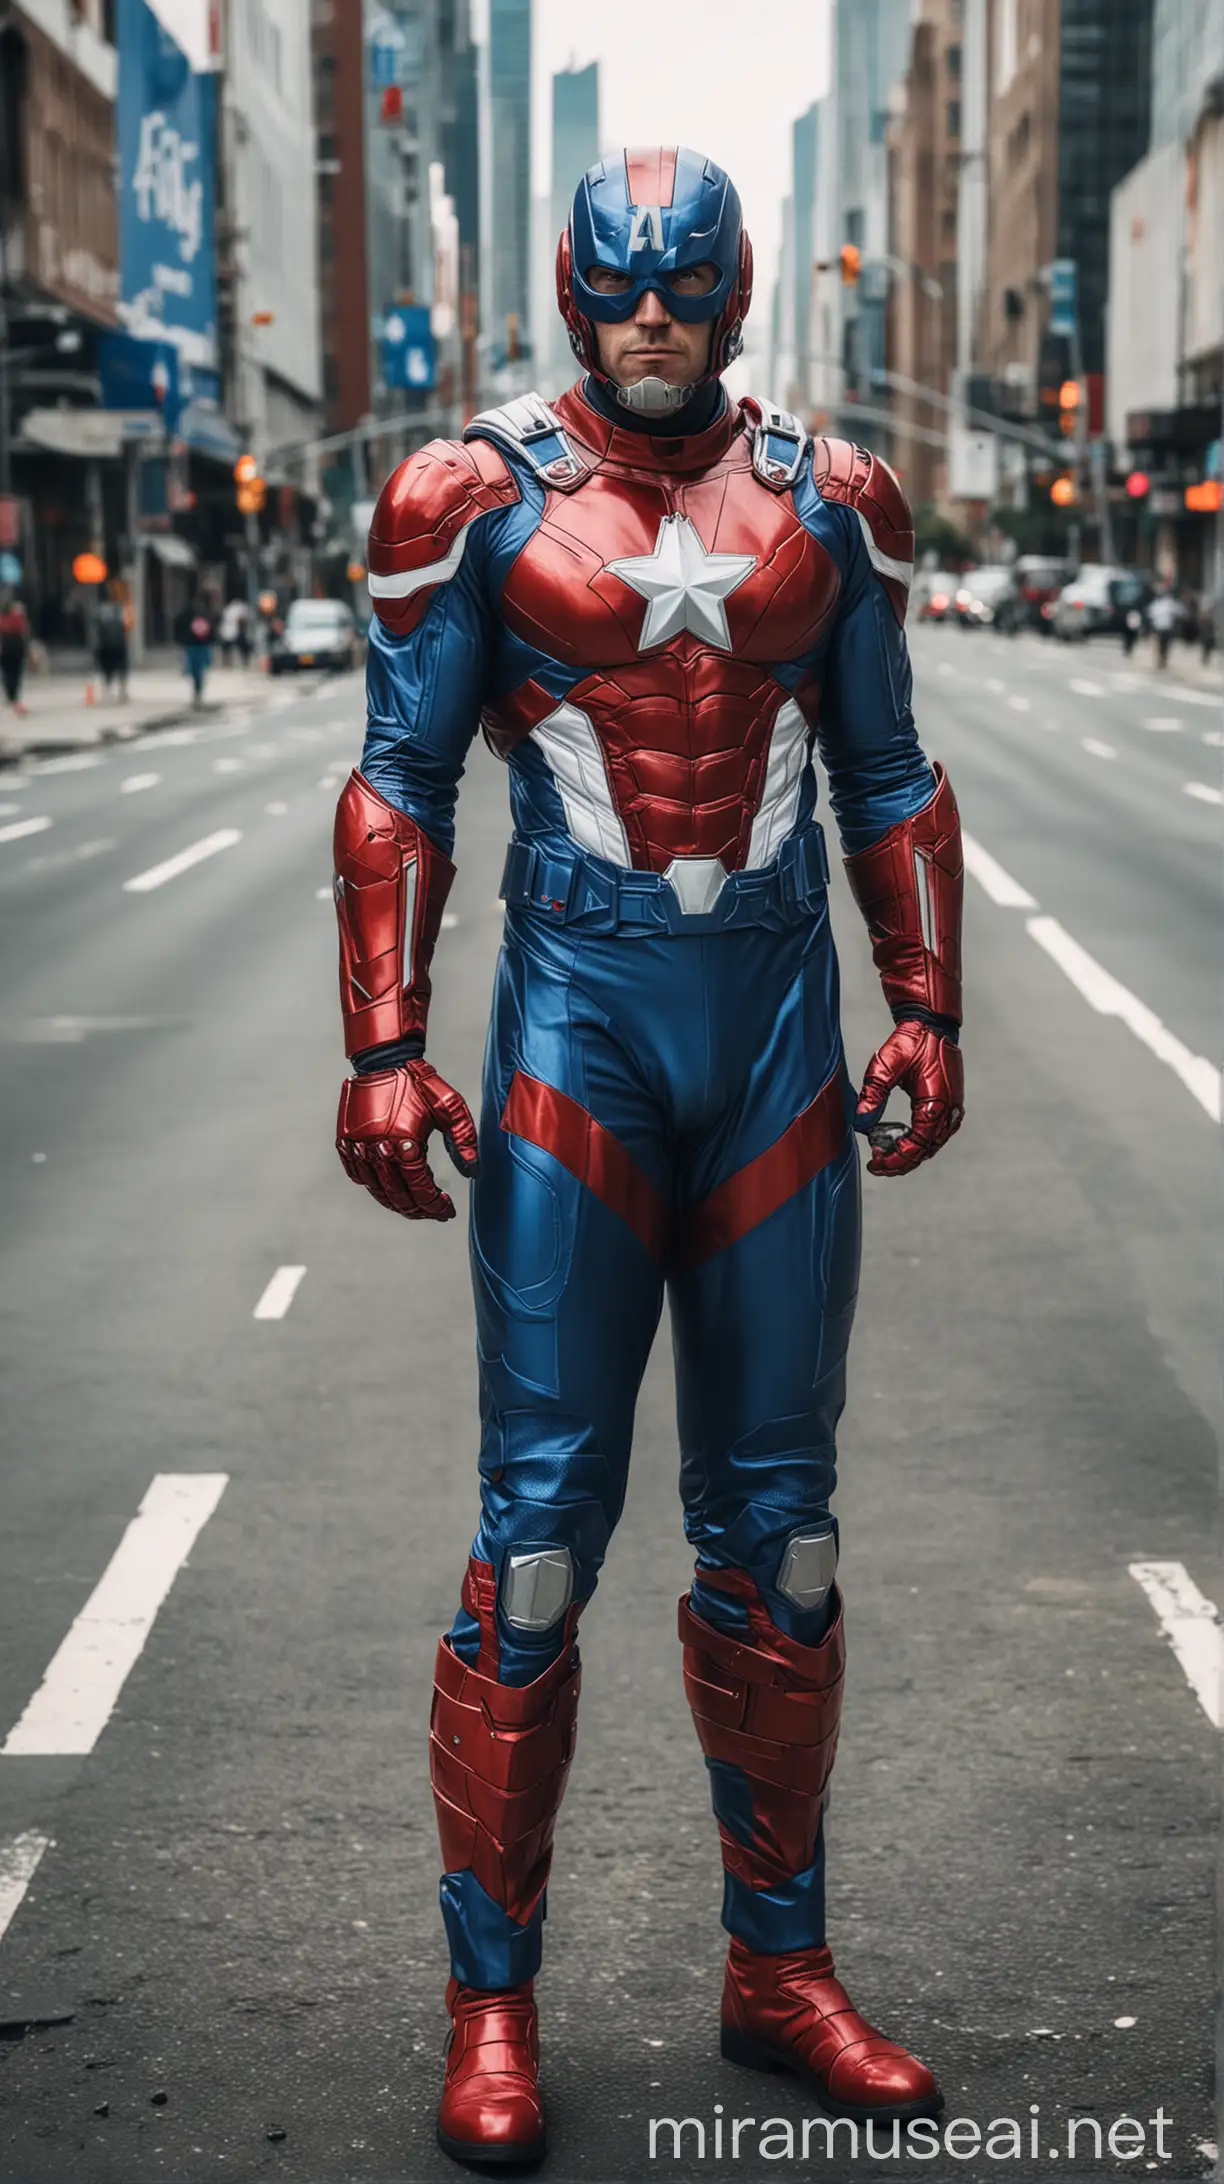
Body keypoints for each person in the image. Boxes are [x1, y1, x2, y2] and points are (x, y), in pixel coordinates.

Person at [332, 147, 964, 2167]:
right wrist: (383, 1044)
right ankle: (490, 2008)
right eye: (622, 287)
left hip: (773, 1039)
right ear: (570, 292)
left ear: (743, 286)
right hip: (579, 1041)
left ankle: (778, 1970)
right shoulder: (474, 494)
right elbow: (401, 774)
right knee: (535, 1541)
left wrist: (926, 1000)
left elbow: (885, 764)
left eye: (687, 284)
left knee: (785, 1539)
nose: (654, 316)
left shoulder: (832, 499)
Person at [174, 594, 216, 706]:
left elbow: (178, 626)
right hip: (200, 646)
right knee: (199, 670)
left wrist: (181, 641)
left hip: (193, 646)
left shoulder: (186, 614)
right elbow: (212, 630)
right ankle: (198, 693)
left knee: (194, 670)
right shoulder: (206, 615)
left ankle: (197, 693)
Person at [94, 581, 130, 700]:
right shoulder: (120, 609)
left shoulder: (101, 611)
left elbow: (97, 628)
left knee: (108, 669)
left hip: (106, 644)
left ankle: (109, 692)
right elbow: (126, 625)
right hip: (117, 644)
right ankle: (121, 692)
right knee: (120, 668)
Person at [0, 588, 30, 716]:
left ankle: (11, 695)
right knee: (16, 672)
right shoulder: (17, 615)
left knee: (7, 672)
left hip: (5, 646)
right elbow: (24, 629)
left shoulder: (2, 618)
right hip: (16, 645)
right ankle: (14, 695)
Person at [1147, 581, 1180, 668]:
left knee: (1165, 645)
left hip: (1166, 628)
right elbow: (1150, 614)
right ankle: (1161, 659)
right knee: (1161, 645)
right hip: (1160, 628)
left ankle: (1163, 659)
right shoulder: (1157, 604)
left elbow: (1177, 611)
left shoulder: (1169, 603)